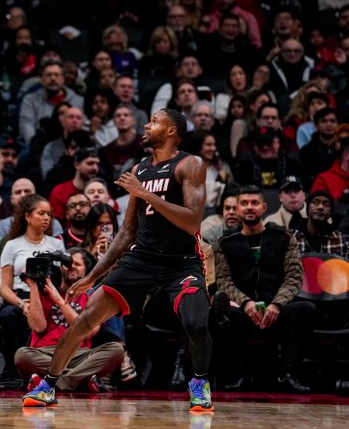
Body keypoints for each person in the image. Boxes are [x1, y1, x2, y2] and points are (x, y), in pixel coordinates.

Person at [24, 109, 213, 412]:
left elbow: (192, 222)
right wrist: (91, 277)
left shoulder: (190, 164)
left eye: (154, 121)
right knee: (86, 317)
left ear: (171, 131)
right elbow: (126, 233)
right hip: (142, 258)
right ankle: (48, 385)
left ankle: (199, 382)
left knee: (196, 323)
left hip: (181, 261)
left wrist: (144, 194)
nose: (146, 126)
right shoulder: (140, 168)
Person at [215, 185, 317, 393]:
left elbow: (294, 277)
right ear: (237, 208)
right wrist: (246, 303)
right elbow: (224, 280)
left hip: (276, 312)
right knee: (223, 312)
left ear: (264, 207)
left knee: (306, 309)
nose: (249, 207)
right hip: (243, 313)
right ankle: (239, 375)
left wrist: (277, 305)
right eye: (244, 203)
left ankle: (288, 374)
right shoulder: (225, 243)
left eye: (254, 203)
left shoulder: (285, 237)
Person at [17, 248, 124, 393]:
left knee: (116, 350)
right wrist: (33, 286)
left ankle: (53, 383)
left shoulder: (92, 298)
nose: (72, 266)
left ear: (87, 272)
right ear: (61, 268)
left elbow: (87, 333)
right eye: (68, 263)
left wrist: (60, 302)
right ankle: (80, 379)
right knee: (22, 355)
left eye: (77, 264)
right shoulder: (44, 292)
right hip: (45, 353)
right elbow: (38, 327)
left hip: (79, 354)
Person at [0, 194, 65, 377]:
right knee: (8, 315)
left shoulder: (56, 244)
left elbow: (62, 282)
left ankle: (47, 365)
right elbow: (4, 287)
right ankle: (21, 368)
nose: (46, 218)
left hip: (49, 296)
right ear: (27, 216)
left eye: (49, 214)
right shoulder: (12, 245)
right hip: (21, 296)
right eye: (41, 213)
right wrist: (22, 304)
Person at [0, 178, 64, 254]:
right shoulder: (0, 226)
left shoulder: (52, 223)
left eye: (27, 191)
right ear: (12, 200)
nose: (23, 195)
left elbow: (59, 252)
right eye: (18, 192)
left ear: (36, 196)